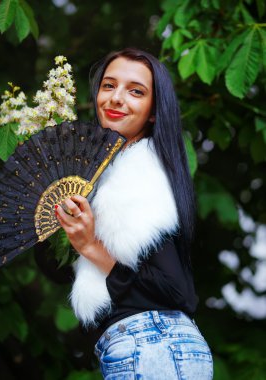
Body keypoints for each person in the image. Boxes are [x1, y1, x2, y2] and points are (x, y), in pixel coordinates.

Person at [55, 48, 213, 379]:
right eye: (108, 85)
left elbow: (176, 291)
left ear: (153, 112)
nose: (116, 98)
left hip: (153, 346)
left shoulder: (139, 174)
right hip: (152, 347)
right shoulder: (107, 172)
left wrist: (89, 247)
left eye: (136, 91)